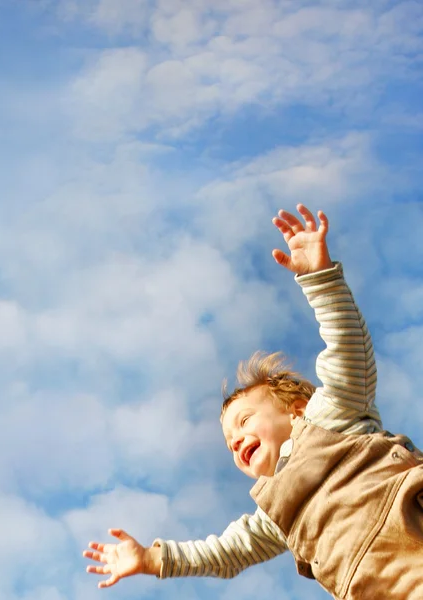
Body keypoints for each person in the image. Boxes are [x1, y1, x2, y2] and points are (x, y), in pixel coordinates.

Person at [83, 204, 423, 599]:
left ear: (296, 409)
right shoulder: (275, 513)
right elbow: (225, 553)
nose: (236, 442)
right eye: (230, 443)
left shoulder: (331, 418)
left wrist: (320, 279)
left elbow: (348, 351)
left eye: (244, 421)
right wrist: (153, 559)